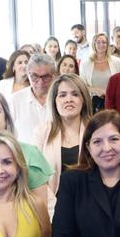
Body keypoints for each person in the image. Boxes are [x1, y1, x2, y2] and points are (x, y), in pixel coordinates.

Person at [38, 74, 94, 218]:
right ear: (54, 101)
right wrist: (56, 211)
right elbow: (37, 178)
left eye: (75, 94)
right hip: (53, 210)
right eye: (62, 95)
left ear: (83, 99)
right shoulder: (42, 132)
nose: (69, 99)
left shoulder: (95, 130)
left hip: (92, 208)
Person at [10, 54, 56, 145]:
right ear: (28, 75)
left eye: (46, 77)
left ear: (53, 76)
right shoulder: (15, 100)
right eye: (34, 76)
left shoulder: (60, 99)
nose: (40, 82)